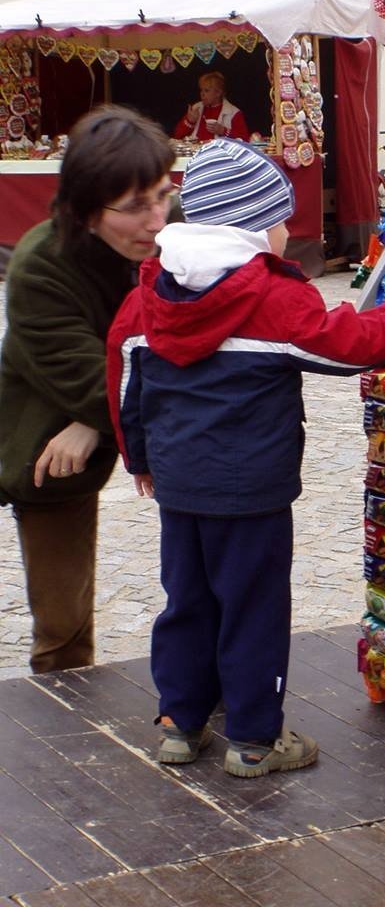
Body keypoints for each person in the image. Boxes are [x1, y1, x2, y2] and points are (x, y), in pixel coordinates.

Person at [106, 138, 385, 777]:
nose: (285, 235)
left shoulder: (147, 294)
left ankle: (181, 724)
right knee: (253, 604)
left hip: (179, 484)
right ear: (250, 226)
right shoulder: (274, 296)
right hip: (252, 489)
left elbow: (125, 375)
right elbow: (347, 345)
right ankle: (253, 738)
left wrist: (138, 459)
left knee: (186, 597)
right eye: (279, 222)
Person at [0, 104, 176, 673]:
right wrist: (94, 413)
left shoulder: (173, 231)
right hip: (45, 450)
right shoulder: (40, 268)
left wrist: (94, 420)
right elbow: (91, 382)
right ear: (84, 211)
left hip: (135, 431)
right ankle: (64, 736)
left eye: (163, 194)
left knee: (211, 587)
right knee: (62, 636)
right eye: (135, 207)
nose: (157, 220)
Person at [173, 72, 249, 142]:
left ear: (218, 93)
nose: (202, 94)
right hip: (195, 153)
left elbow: (244, 140)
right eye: (201, 90)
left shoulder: (234, 112)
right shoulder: (196, 108)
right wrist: (190, 121)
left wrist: (223, 131)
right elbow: (177, 136)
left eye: (206, 91)